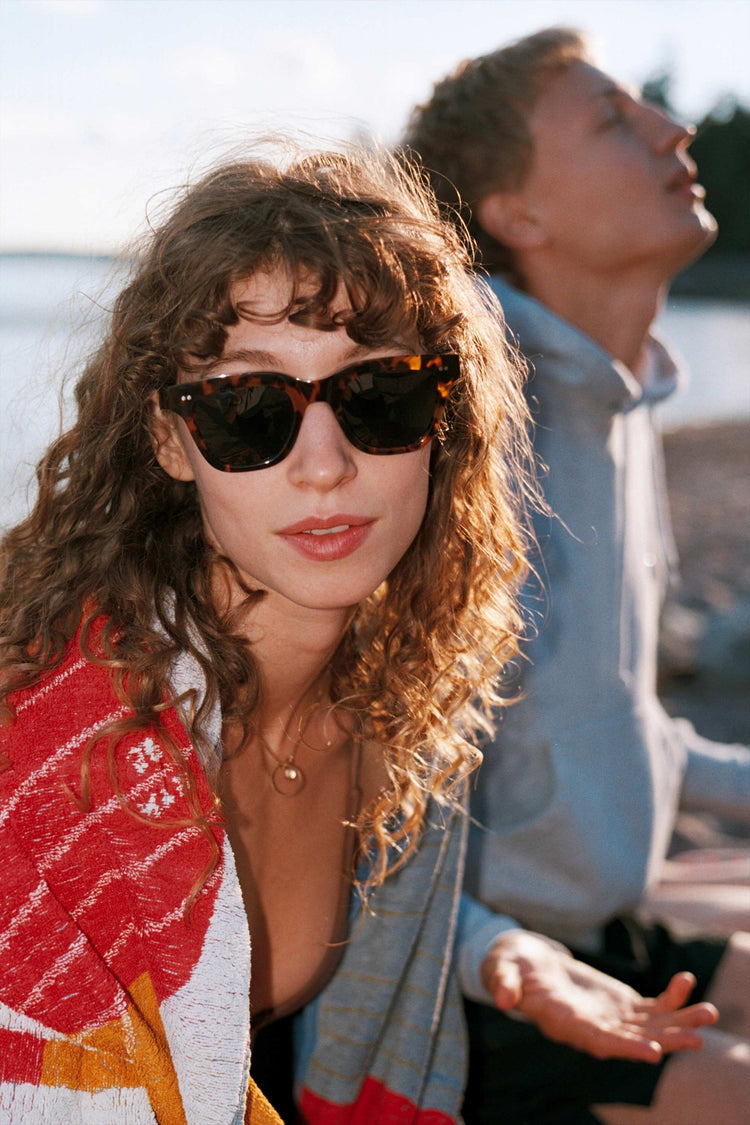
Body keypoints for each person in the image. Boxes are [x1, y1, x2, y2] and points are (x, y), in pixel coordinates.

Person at [0, 144, 542, 1123]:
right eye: (248, 408)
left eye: (380, 394)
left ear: (445, 416)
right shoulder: (61, 740)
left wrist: (503, 947)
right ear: (170, 440)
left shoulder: (407, 709)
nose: (324, 465)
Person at [404, 26, 750, 1125]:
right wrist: (498, 955)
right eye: (612, 121)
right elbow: (366, 790)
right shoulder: (471, 421)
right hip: (484, 990)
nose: (674, 129)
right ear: (518, 215)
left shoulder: (617, 395)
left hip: (601, 928)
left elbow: (608, 723)